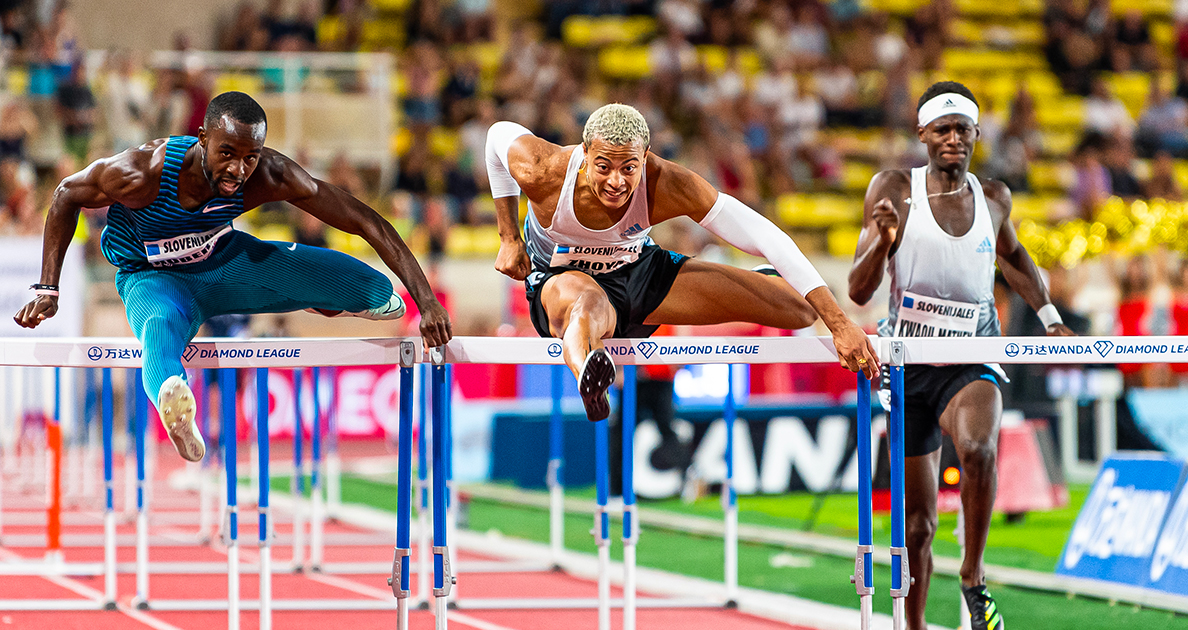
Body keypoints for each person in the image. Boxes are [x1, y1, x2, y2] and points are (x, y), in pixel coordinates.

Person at [14, 91, 452, 463]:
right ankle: (176, 405)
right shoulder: (143, 172)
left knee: (375, 290)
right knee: (160, 326)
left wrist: (427, 301)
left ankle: (325, 296)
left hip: (225, 262)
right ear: (202, 139)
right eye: (227, 154)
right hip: (153, 278)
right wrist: (48, 286)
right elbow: (65, 194)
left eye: (249, 157)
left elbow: (365, 220)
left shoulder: (268, 174)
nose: (237, 171)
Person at [486, 103, 879, 422]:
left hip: (638, 271)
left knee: (797, 310)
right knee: (586, 304)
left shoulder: (668, 183)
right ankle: (591, 376)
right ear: (584, 154)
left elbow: (765, 235)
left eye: (629, 168)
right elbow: (496, 135)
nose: (616, 183)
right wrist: (509, 238)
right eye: (604, 166)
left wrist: (839, 323)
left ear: (646, 158)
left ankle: (759, 282)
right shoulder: (544, 169)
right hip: (560, 280)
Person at [847, 81, 1074, 630]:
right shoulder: (895, 188)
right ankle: (915, 624)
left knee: (977, 449)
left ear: (976, 134)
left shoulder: (994, 197)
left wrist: (1051, 319)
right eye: (942, 129)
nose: (953, 138)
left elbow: (1015, 258)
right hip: (909, 367)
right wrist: (880, 242)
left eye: (962, 129)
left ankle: (973, 575)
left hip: (973, 355)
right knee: (917, 526)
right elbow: (857, 292)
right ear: (922, 134)